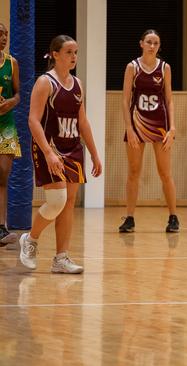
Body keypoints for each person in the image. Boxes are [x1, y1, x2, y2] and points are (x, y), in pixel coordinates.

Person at [19, 35, 102, 273]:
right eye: (68, 52)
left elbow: (82, 121)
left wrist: (95, 153)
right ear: (55, 54)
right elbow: (33, 120)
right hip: (50, 148)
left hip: (73, 147)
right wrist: (47, 153)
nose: (74, 57)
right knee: (57, 201)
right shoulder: (46, 82)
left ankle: (61, 258)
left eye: (76, 52)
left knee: (68, 204)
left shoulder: (77, 84)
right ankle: (31, 239)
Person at [119, 29, 178, 233]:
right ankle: (129, 218)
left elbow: (169, 99)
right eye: (149, 42)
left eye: (156, 43)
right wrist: (129, 127)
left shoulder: (165, 68)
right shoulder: (132, 67)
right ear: (141, 43)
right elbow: (126, 100)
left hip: (160, 124)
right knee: (134, 172)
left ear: (159, 46)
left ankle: (173, 217)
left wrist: (172, 128)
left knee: (165, 173)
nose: (152, 46)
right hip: (136, 122)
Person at [0, 23, 20, 245]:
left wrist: (11, 103)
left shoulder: (12, 63)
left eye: (5, 34)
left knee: (3, 174)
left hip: (5, 126)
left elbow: (18, 94)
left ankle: (1, 228)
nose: (4, 38)